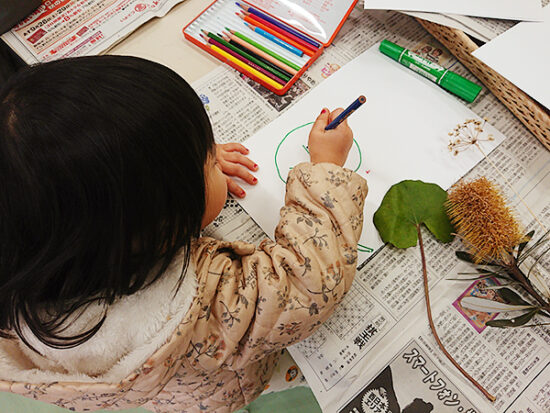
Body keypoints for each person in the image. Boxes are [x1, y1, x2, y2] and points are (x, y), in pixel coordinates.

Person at [0, 55, 368, 412]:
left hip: (169, 392)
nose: (215, 159)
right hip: (226, 387)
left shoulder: (38, 251)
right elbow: (310, 282)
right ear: (156, 222)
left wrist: (178, 170)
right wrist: (325, 169)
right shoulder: (202, 302)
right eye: (208, 160)